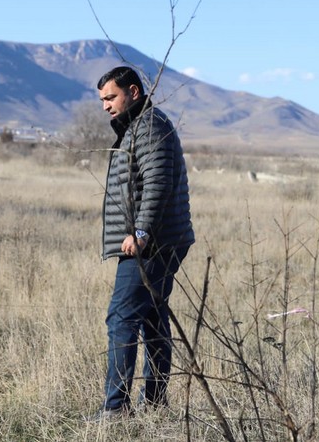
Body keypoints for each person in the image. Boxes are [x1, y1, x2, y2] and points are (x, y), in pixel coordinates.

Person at [94, 66, 195, 417]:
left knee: (122, 318)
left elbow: (157, 184)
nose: (106, 106)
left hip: (154, 243)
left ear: (133, 92)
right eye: (103, 100)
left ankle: (115, 409)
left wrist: (141, 232)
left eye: (111, 97)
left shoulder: (150, 126)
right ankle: (153, 403)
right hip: (160, 239)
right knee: (152, 317)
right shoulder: (139, 126)